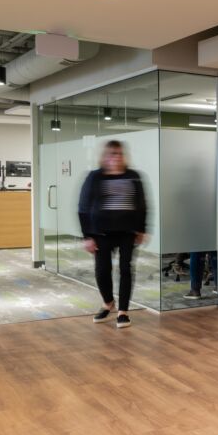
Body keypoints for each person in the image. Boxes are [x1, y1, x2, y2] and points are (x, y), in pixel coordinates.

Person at [78, 140, 148, 328]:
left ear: (123, 156)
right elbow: (83, 207)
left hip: (127, 232)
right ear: (105, 157)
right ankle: (108, 303)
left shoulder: (133, 176)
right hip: (101, 233)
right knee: (102, 271)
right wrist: (87, 236)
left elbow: (141, 204)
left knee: (125, 269)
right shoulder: (95, 177)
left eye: (119, 154)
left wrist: (142, 229)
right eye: (112, 154)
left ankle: (123, 311)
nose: (115, 157)